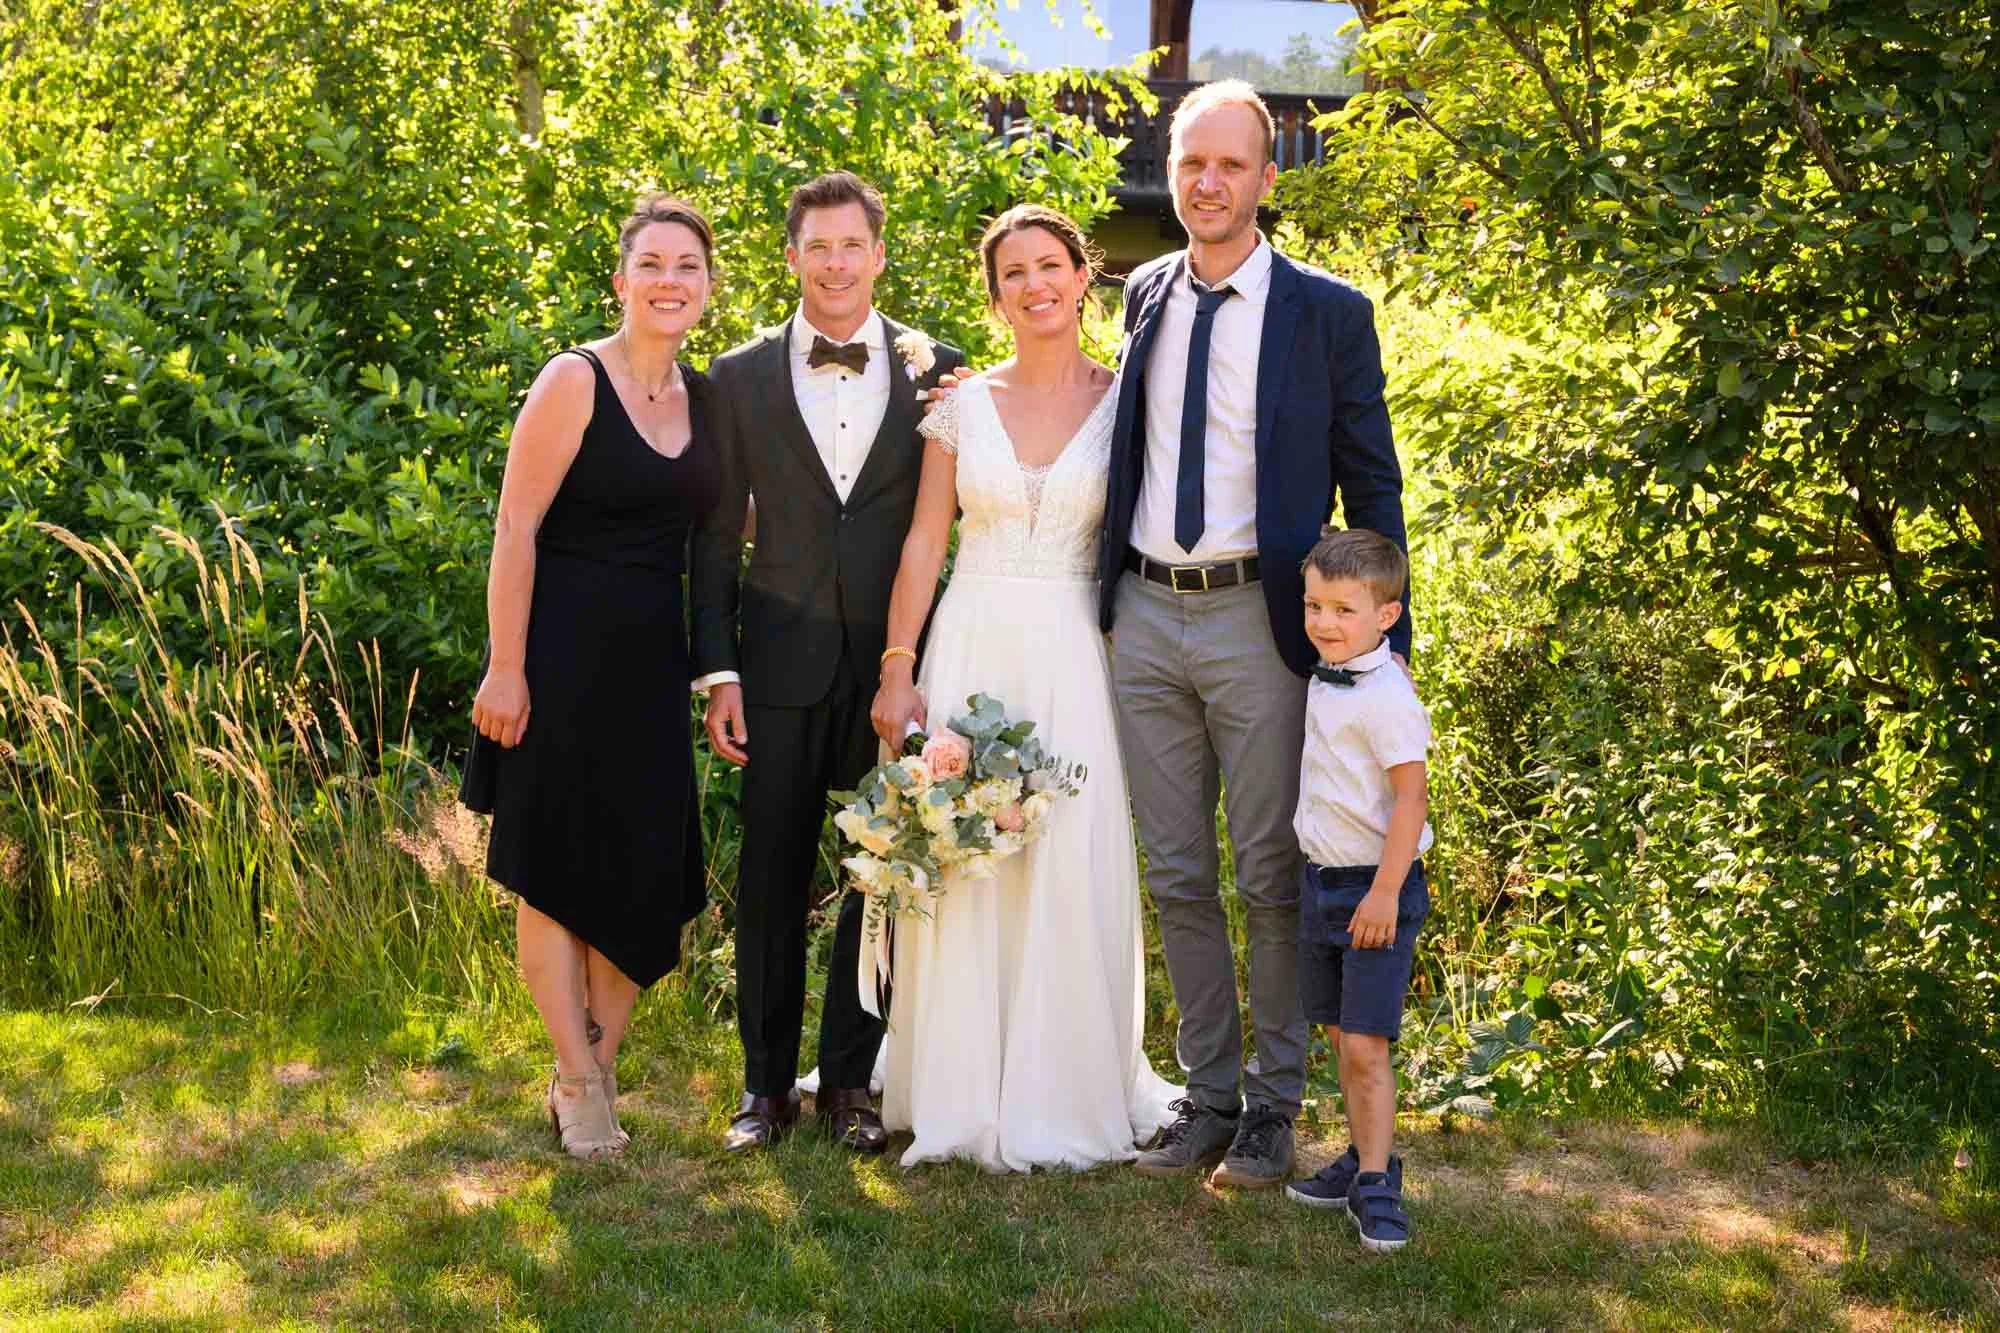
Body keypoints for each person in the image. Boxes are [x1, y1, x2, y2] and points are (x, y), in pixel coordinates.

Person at [1103, 81, 1413, 1188]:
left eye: (1231, 165)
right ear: (1174, 169)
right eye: (1192, 163)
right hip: (1141, 613)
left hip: (1261, 618)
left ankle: (1274, 1111)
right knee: (1177, 870)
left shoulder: (1327, 313)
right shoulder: (1142, 289)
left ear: (1266, 179)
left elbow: (1370, 484)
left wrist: (1381, 653)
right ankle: (1208, 1095)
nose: (1207, 182)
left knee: (1272, 872)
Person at [869, 205, 1183, 1171]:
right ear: (994, 293)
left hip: (1075, 653)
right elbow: (926, 539)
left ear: (1084, 276)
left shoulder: (1132, 395)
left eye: (1052, 265)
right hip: (973, 640)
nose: (1036, 284)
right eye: (1014, 272)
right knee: (968, 856)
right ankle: (959, 1084)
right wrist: (897, 666)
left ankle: (1065, 1083)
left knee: (1069, 857)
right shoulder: (961, 406)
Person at [689, 172, 964, 1155]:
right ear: (792, 256)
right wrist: (717, 671)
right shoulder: (738, 375)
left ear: (879, 254)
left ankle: (850, 1081)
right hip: (773, 660)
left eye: (854, 245)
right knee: (766, 878)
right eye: (818, 247)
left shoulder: (942, 369)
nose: (837, 263)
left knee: (878, 875)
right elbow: (716, 539)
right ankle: (763, 1089)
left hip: (892, 664)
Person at [460, 194, 722, 1160]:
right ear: (621, 281)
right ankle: (576, 1079)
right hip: (558, 661)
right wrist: (505, 665)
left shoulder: (707, 400)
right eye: (651, 264)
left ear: (708, 286)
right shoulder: (573, 379)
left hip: (652, 670)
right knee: (556, 872)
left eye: (686, 266)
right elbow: (516, 526)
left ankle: (597, 1058)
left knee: (649, 876)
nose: (668, 281)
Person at [1281, 528, 1430, 1253]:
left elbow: (1412, 800)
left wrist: (1384, 892)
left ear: (1386, 614)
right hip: (1320, 883)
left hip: (1376, 890)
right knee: (1341, 1032)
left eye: (1344, 608)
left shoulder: (1387, 696)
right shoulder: (1328, 673)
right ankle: (1363, 1153)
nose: (1324, 622)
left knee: (1367, 1044)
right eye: (1314, 605)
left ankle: (1377, 1182)